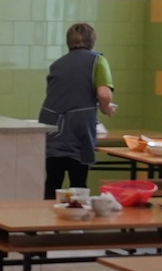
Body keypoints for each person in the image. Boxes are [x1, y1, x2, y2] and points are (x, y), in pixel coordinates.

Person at [39, 22, 116, 198]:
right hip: (78, 128)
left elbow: (57, 95)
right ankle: (77, 214)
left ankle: (46, 215)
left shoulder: (57, 64)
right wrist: (106, 108)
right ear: (92, 41)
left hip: (52, 127)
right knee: (78, 183)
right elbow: (104, 94)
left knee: (53, 181)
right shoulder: (98, 61)